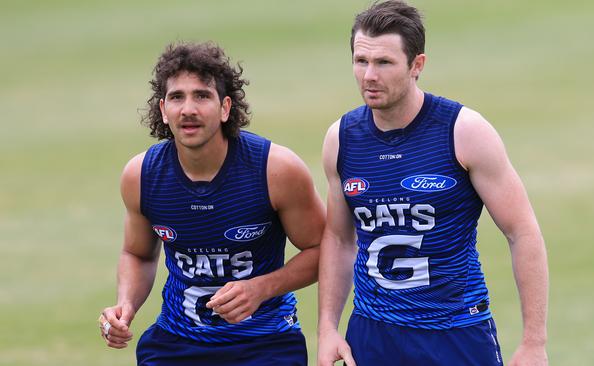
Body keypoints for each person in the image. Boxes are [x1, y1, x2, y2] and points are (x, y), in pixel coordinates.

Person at [317, 1, 549, 365]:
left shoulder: (464, 131)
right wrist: (328, 328)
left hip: (456, 333)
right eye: (361, 61)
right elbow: (339, 237)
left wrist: (534, 341)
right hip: (372, 334)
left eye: (384, 63)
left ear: (417, 65)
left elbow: (522, 231)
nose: (369, 76)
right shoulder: (341, 138)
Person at [98, 42, 325, 366]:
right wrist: (125, 306)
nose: (188, 109)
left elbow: (323, 249)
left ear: (225, 107)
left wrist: (261, 288)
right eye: (177, 97)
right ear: (163, 109)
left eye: (202, 96)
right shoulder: (141, 175)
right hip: (176, 344)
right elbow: (137, 253)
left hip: (265, 344)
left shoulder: (277, 170)